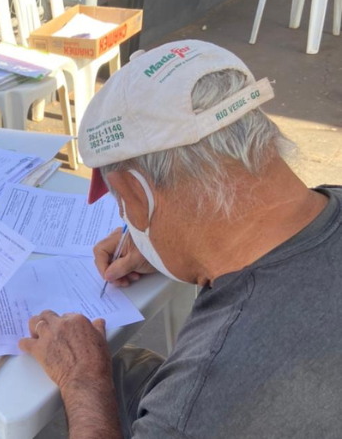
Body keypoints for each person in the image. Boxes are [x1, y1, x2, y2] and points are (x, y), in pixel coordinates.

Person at [19, 40, 342, 439]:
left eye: (122, 203)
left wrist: (82, 379)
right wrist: (175, 246)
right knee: (126, 368)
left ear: (137, 195)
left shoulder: (200, 395)